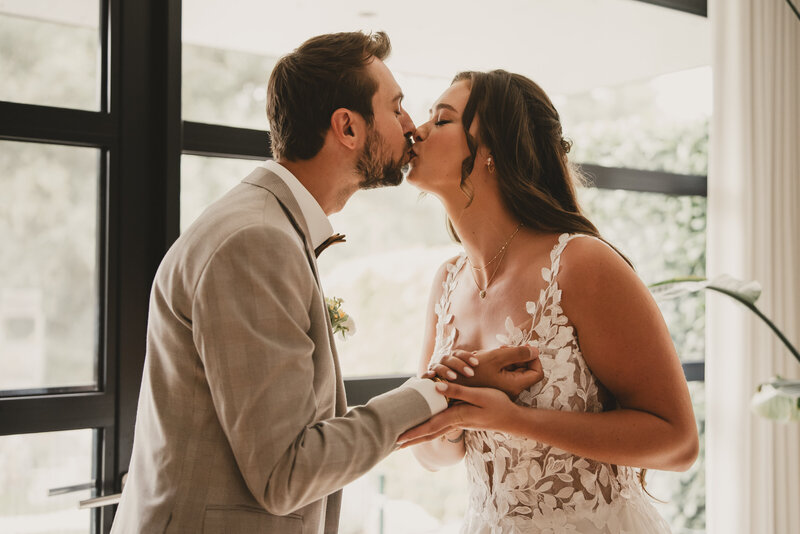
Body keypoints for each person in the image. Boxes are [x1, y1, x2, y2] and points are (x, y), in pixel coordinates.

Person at [110, 34, 542, 534]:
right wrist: (432, 391)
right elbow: (286, 475)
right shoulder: (256, 241)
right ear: (347, 127)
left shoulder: (265, 227)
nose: (411, 127)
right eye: (397, 107)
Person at [397, 70, 699, 533]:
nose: (415, 129)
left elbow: (678, 443)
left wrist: (515, 419)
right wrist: (456, 403)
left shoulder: (580, 264)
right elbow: (431, 453)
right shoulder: (446, 282)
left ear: (491, 150)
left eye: (442, 120)